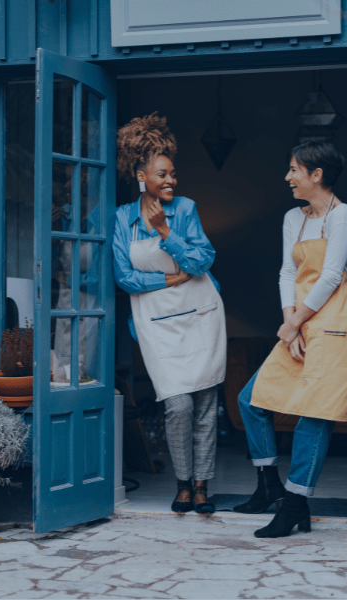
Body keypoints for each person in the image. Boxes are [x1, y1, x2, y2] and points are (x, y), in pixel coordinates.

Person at [234, 141, 347, 538]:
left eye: (293, 170)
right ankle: (268, 483)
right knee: (250, 400)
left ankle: (295, 504)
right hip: (300, 323)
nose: (287, 177)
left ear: (315, 175)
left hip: (333, 321)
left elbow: (329, 276)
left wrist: (296, 323)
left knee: (315, 414)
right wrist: (291, 326)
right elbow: (288, 273)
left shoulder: (342, 216)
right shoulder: (293, 217)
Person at [113, 113, 226, 514]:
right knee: (178, 405)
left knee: (206, 407)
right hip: (156, 323)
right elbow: (124, 277)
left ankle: (200, 486)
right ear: (141, 175)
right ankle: (182, 481)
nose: (171, 181)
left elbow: (202, 260)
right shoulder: (122, 219)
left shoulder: (185, 210)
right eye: (162, 174)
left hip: (200, 316)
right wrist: (168, 282)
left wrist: (166, 233)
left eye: (173, 174)